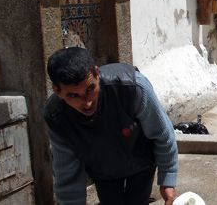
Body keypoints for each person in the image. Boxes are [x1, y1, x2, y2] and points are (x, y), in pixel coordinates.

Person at [43, 47, 178, 205]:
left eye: (90, 89)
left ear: (97, 74)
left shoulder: (133, 87)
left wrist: (168, 178)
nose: (87, 103)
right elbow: (67, 173)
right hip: (103, 171)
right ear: (57, 91)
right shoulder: (56, 117)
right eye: (73, 95)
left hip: (141, 160)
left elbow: (163, 134)